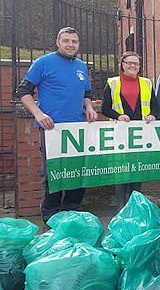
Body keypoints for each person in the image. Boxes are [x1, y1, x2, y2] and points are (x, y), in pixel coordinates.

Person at [15, 27, 99, 222]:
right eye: (66, 41)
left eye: (74, 42)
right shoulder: (43, 63)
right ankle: (50, 219)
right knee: (53, 175)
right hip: (52, 130)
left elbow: (86, 94)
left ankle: (72, 214)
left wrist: (90, 108)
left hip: (77, 129)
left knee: (78, 173)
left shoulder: (81, 66)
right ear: (58, 42)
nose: (70, 45)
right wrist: (39, 113)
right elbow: (23, 92)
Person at [101, 51, 159, 208]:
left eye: (136, 63)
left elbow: (155, 106)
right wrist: (118, 115)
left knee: (137, 169)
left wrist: (152, 115)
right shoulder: (113, 83)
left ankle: (135, 205)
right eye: (129, 63)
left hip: (140, 134)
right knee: (121, 170)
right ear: (122, 64)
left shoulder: (147, 83)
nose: (133, 66)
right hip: (119, 134)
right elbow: (105, 108)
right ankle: (121, 206)